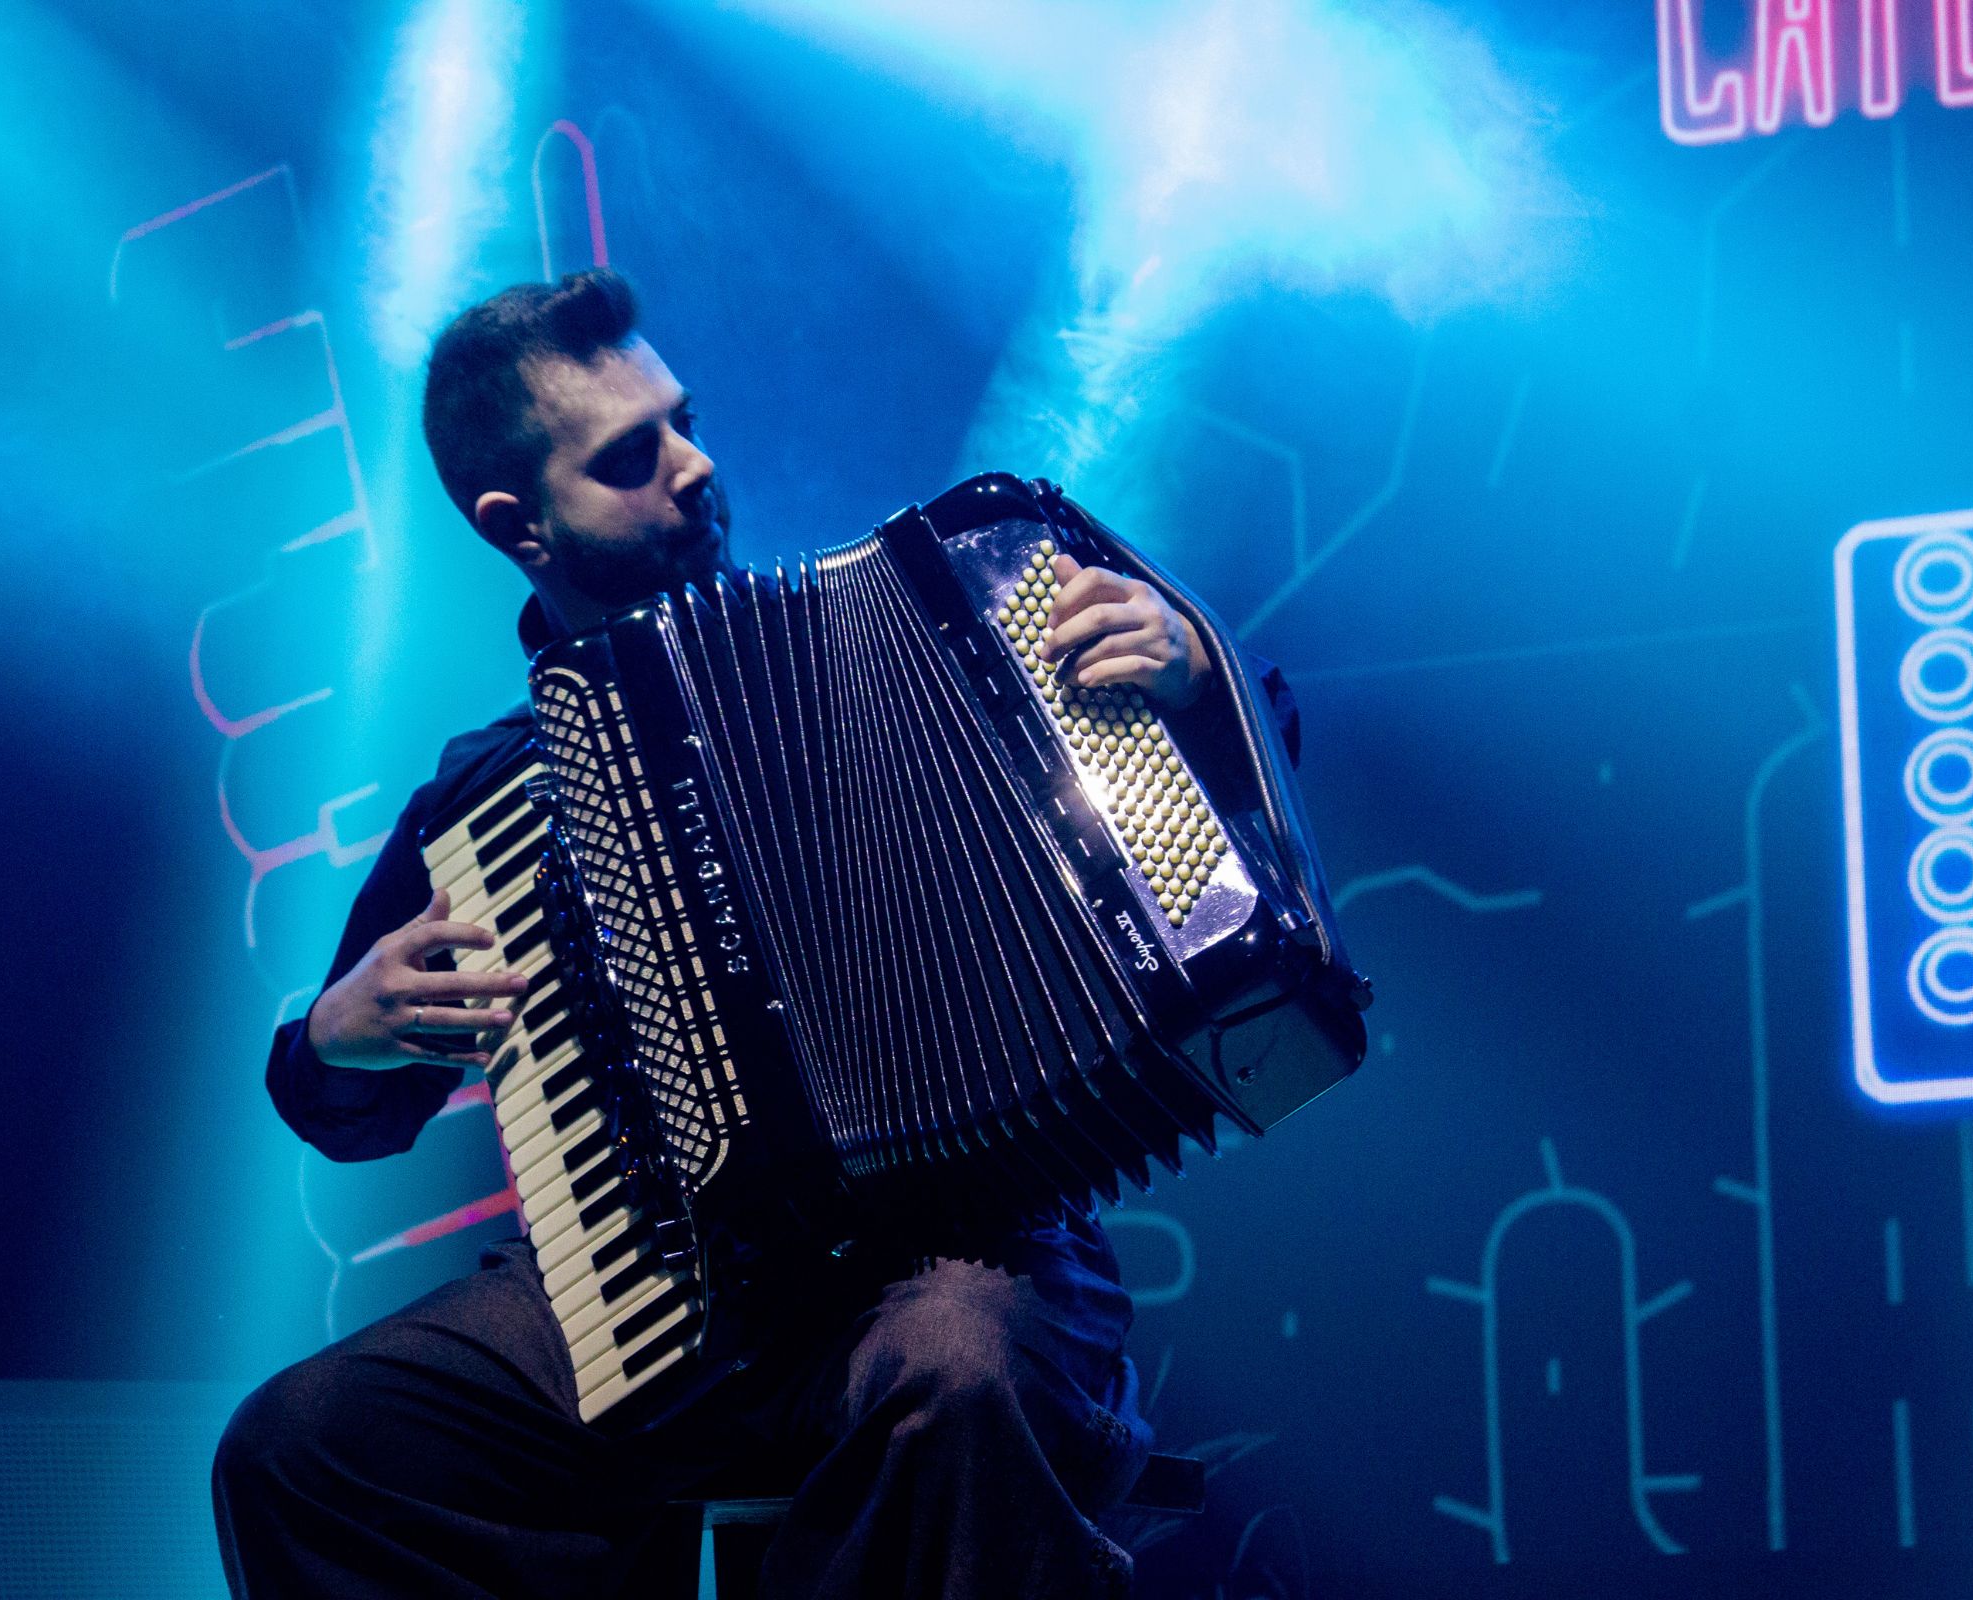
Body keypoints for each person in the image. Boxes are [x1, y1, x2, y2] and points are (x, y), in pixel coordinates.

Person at [211, 269, 1302, 1599]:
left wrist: (1192, 669)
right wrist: (335, 1035)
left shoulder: (913, 645)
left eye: (683, 422)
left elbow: (1242, 776)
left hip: (958, 1251)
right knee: (306, 1446)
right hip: (648, 1282)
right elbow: (349, 1110)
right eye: (630, 457)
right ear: (518, 524)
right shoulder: (492, 798)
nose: (693, 465)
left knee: (957, 1374)